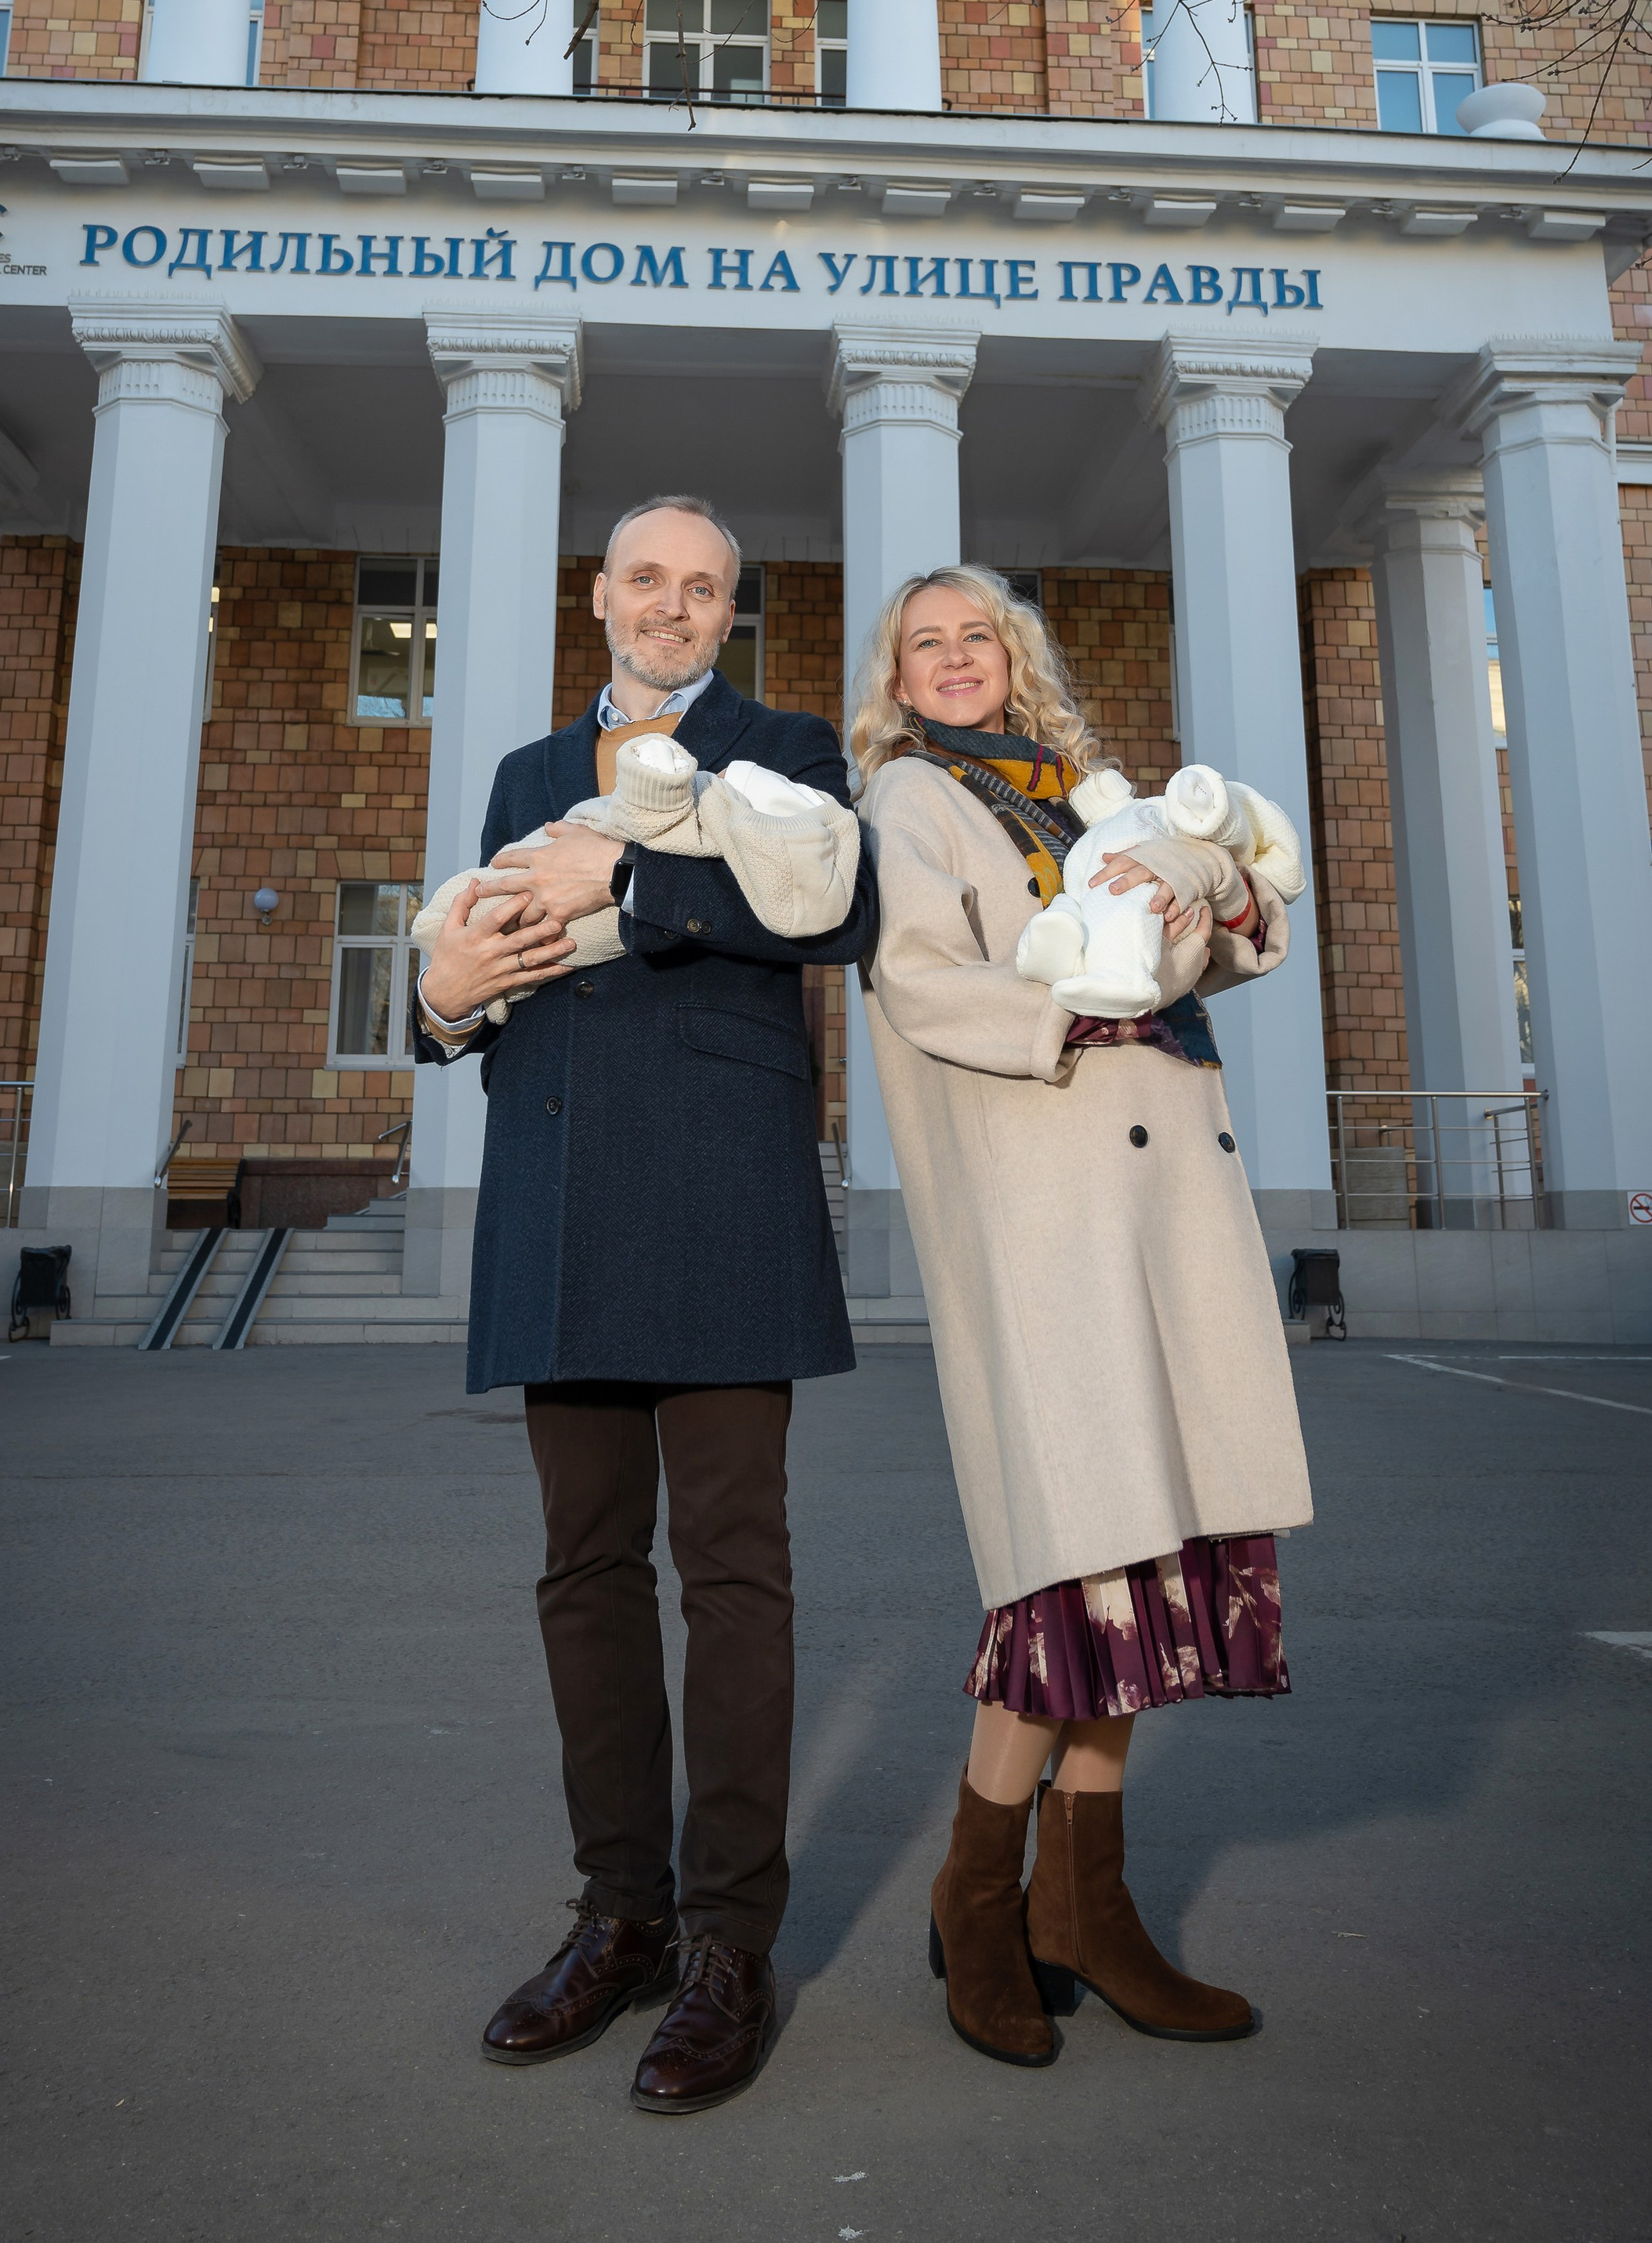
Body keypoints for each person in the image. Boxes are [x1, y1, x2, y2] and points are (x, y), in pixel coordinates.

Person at [414, 496, 877, 2115]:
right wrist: (435, 1003)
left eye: (702, 588)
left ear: (727, 614)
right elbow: (472, 945)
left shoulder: (789, 744)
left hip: (723, 1197)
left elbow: (840, 912)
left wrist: (638, 868)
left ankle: (728, 1943)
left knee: (735, 1571)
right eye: (647, 581)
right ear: (598, 595)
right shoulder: (523, 773)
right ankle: (617, 1914)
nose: (671, 607)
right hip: (558, 1201)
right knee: (583, 1572)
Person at [849, 567, 1313, 2068]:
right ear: (900, 677)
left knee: (1156, 1561)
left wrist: (1217, 896)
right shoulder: (910, 802)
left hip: (1168, 1196)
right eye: (927, 644)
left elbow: (1216, 949)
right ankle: (980, 1896)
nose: (955, 659)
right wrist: (1077, 1005)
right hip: (1046, 1198)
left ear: (1015, 654)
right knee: (1070, 1568)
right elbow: (923, 981)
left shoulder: (1088, 789)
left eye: (977, 635)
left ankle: (1085, 1910)